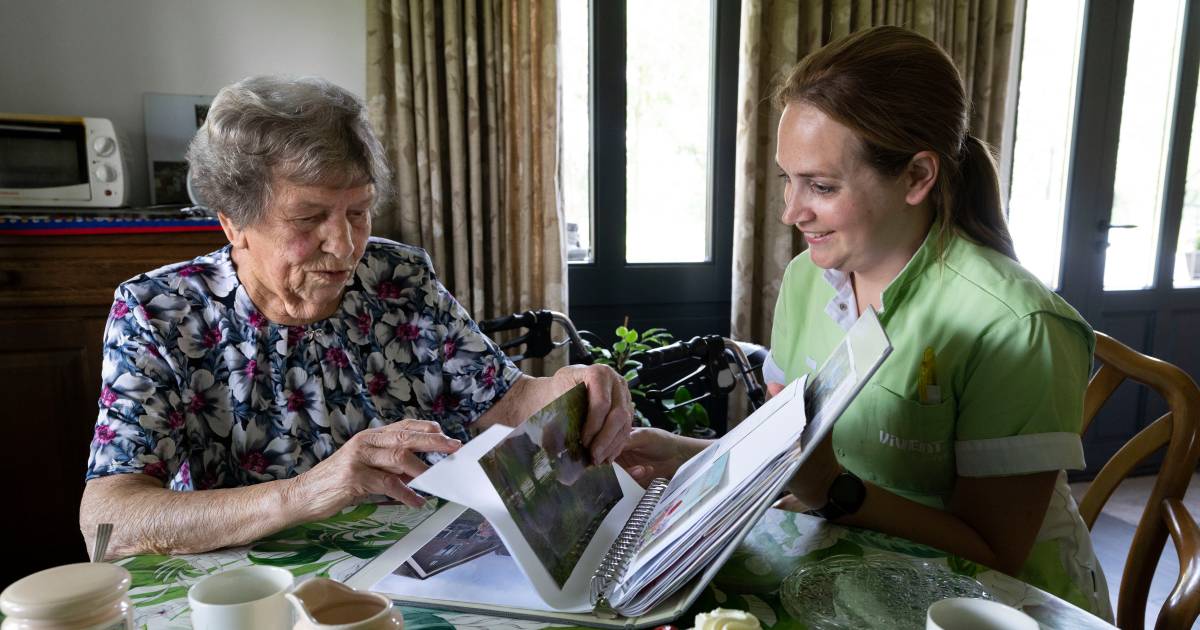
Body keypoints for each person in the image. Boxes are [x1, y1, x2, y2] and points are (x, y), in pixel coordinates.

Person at [618, 26, 1112, 620]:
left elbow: (997, 554)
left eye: (822, 186)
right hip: (854, 576)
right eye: (788, 179)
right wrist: (686, 456)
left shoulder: (1015, 325)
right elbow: (796, 463)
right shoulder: (806, 280)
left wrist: (833, 489)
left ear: (917, 177)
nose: (790, 212)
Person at [80, 75, 632, 559]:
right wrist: (307, 492)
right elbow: (106, 524)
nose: (344, 246)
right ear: (233, 223)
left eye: (359, 212)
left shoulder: (396, 275)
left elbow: (504, 401)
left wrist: (572, 387)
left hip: (423, 566)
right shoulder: (161, 312)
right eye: (309, 216)